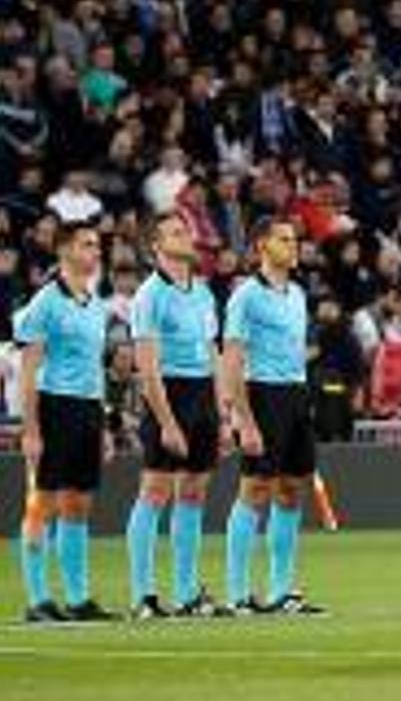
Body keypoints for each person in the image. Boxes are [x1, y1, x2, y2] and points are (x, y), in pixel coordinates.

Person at [220, 218, 323, 614]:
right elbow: (232, 358)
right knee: (255, 489)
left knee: (292, 491)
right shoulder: (245, 296)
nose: (292, 245)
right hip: (261, 395)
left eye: (294, 239)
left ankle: (282, 592)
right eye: (283, 239)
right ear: (262, 246)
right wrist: (242, 418)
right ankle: (238, 593)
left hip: (295, 394)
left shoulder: (297, 293)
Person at [16, 222, 114, 623]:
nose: (95, 252)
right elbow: (28, 370)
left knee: (78, 505)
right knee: (42, 504)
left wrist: (103, 423)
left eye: (97, 245)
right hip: (53, 407)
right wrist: (31, 429)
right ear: (64, 251)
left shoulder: (95, 303)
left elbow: (95, 368)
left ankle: (77, 598)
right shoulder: (45, 303)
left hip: (87, 409)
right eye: (87, 245)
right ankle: (38, 599)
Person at [128, 214, 222, 616]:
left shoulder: (202, 292)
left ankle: (186, 593)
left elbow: (214, 353)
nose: (187, 236)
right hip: (170, 392)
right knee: (155, 491)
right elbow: (147, 368)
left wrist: (223, 411)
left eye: (187, 230)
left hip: (202, 393)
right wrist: (166, 422)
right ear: (156, 246)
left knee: (194, 494)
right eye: (176, 232)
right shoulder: (149, 296)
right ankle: (144, 595)